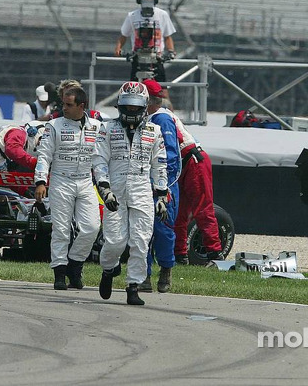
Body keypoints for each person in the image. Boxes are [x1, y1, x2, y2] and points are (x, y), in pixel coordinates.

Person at [92, 81, 169, 306]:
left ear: (144, 106)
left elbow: (160, 164)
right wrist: (104, 189)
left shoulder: (154, 131)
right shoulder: (107, 128)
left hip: (142, 189)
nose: (132, 110)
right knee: (115, 241)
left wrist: (162, 195)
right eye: (128, 106)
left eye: (136, 106)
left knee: (141, 241)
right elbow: (99, 160)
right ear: (120, 106)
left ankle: (133, 286)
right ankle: (108, 270)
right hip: (115, 190)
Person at [143, 79, 223, 266]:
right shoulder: (159, 116)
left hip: (192, 163)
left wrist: (163, 180)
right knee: (179, 211)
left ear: (147, 101)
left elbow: (170, 150)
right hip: (185, 164)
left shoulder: (160, 118)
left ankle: (214, 253)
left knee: (202, 208)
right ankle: (180, 254)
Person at [34, 86, 102, 290]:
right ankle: (60, 273)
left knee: (92, 227)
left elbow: (101, 159)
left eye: (69, 105)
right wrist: (40, 181)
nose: (64, 108)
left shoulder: (98, 127)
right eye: (63, 103)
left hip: (85, 182)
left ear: (82, 106)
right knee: (61, 230)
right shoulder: (53, 125)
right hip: (61, 181)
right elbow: (44, 156)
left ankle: (75, 263)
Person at [140, 81, 181, 293]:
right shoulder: (142, 119)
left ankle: (166, 269)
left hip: (164, 184)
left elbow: (170, 157)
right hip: (142, 183)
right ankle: (143, 274)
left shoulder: (162, 119)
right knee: (142, 231)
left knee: (163, 229)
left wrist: (162, 186)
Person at [115, 0, 177, 82]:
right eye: (145, 1)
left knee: (161, 89)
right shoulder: (132, 16)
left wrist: (171, 51)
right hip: (137, 56)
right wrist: (118, 48)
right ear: (140, 1)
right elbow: (124, 35)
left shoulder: (162, 14)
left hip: (157, 57)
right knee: (135, 87)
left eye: (150, 1)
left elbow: (167, 36)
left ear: (154, 1)